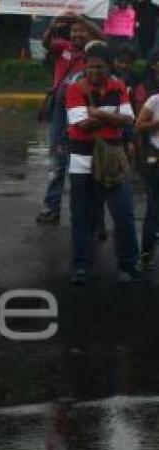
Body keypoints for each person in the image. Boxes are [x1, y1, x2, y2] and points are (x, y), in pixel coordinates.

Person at [64, 44, 140, 285]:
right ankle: (81, 266)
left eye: (99, 67)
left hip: (111, 160)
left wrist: (94, 112)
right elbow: (81, 126)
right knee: (81, 216)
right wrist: (111, 117)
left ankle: (128, 263)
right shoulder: (74, 88)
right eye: (90, 66)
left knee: (124, 213)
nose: (94, 71)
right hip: (81, 161)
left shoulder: (118, 87)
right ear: (84, 66)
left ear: (110, 67)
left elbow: (128, 120)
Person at [36, 15, 104, 224]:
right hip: (59, 111)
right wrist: (53, 24)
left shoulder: (92, 53)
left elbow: (103, 36)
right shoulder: (62, 48)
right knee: (58, 162)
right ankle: (51, 207)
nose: (77, 35)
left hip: (83, 111)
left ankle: (88, 214)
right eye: (74, 31)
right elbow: (46, 43)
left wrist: (79, 18)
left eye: (81, 31)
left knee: (87, 163)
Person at [136, 82, 159, 271]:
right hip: (156, 159)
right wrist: (157, 124)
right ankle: (146, 252)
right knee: (154, 206)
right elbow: (139, 126)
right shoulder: (155, 100)